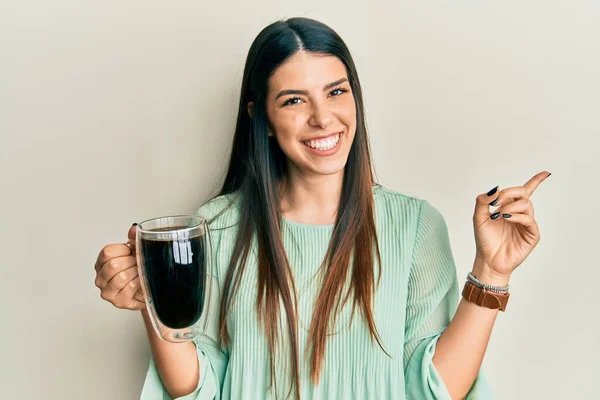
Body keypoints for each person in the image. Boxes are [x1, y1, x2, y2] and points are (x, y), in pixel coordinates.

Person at [93, 17, 550, 400]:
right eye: (294, 100)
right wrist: (152, 299)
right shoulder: (214, 228)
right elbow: (198, 388)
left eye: (336, 91)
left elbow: (434, 388)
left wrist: (491, 271)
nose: (323, 118)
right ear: (262, 118)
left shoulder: (414, 226)